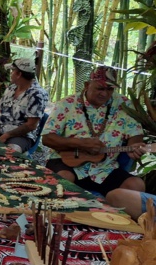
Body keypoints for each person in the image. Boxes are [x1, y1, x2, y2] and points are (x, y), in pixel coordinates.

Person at [42, 65, 145, 201]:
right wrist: (80, 143)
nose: (105, 94)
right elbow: (47, 138)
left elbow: (135, 132)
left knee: (136, 185)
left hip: (105, 168)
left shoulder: (124, 104)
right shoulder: (67, 104)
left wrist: (134, 146)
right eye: (100, 88)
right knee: (64, 179)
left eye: (110, 89)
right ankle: (60, 217)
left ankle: (112, 220)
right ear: (87, 85)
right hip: (66, 162)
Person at [0, 57, 48, 153]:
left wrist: (7, 135)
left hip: (21, 136)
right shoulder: (11, 88)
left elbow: (31, 125)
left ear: (19, 74)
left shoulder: (37, 94)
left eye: (12, 71)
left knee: (9, 152)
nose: (11, 74)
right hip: (1, 130)